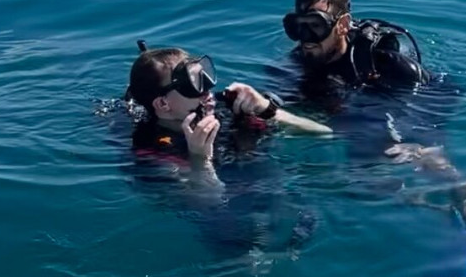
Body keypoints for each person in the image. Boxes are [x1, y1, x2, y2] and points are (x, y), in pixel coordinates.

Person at [280, 0, 466, 230]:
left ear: (342, 25)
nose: (305, 39)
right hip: (353, 113)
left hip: (396, 101)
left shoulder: (383, 61)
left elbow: (437, 93)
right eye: (297, 28)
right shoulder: (298, 63)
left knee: (427, 159)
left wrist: (421, 142)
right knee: (366, 188)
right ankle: (435, 213)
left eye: (315, 27)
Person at [123, 42, 330, 264]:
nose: (208, 92)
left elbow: (322, 133)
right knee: (246, 260)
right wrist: (200, 160)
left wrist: (267, 110)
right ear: (163, 104)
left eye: (204, 77)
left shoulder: (227, 110)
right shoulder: (153, 151)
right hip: (229, 227)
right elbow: (208, 204)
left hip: (269, 199)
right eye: (192, 85)